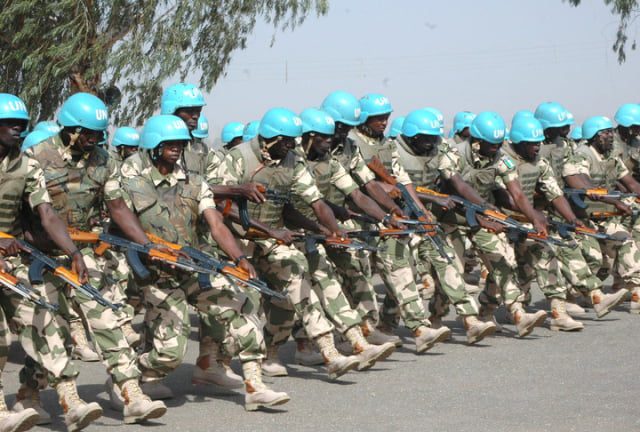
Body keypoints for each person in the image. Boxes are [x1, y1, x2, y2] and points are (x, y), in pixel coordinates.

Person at [120, 114, 289, 410]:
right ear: (153, 145)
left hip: (193, 267)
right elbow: (122, 223)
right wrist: (148, 249)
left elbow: (216, 225)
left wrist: (238, 257)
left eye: (181, 144)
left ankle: (254, 384)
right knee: (170, 353)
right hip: (155, 273)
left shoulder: (196, 183)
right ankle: (130, 377)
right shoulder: (132, 183)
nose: (177, 148)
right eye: (170, 143)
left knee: (241, 303)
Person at [26, 92, 167, 424]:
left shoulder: (104, 161)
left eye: (98, 135)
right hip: (43, 252)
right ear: (71, 128)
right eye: (88, 134)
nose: (94, 140)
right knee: (51, 327)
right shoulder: (36, 157)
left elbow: (117, 207)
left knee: (106, 316)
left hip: (84, 251)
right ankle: (29, 395)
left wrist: (145, 245)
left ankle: (132, 393)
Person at [214, 107, 362, 378]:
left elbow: (316, 202)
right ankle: (220, 364)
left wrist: (333, 230)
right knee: (241, 303)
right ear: (269, 138)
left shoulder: (293, 161)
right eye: (286, 141)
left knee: (295, 271)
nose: (291, 146)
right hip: (236, 241)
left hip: (271, 237)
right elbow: (221, 203)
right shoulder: (239, 158)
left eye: (294, 141)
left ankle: (328, 351)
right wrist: (269, 229)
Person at [0, 93, 102, 431]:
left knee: (44, 317)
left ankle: (70, 399)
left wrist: (74, 252)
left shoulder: (27, 165)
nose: (18, 129)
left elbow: (47, 215)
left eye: (22, 125)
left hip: (9, 259)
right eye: (10, 123)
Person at [349, 93, 451, 351]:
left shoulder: (386, 144)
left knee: (401, 268)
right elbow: (364, 185)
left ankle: (416, 327)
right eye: (378, 118)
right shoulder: (351, 143)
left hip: (382, 217)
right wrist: (391, 204)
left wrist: (419, 212)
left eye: (386, 117)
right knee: (355, 280)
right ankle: (342, 335)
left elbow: (402, 180)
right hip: (353, 217)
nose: (384, 122)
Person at [438, 111, 548, 337]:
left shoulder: (500, 158)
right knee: (452, 271)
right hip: (452, 220)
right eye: (491, 144)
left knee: (502, 258)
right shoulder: (453, 153)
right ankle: (434, 318)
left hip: (480, 220)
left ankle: (516, 313)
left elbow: (517, 194)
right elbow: (460, 187)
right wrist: (486, 211)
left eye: (499, 143)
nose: (497, 148)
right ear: (476, 141)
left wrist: (534, 217)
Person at [393, 108, 496, 343]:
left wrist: (481, 206)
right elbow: (399, 186)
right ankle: (387, 326)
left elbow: (453, 178)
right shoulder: (394, 152)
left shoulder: (440, 149)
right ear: (412, 135)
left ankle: (469, 320)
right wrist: (430, 200)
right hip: (400, 221)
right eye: (427, 139)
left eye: (435, 138)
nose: (432, 143)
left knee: (448, 262)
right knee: (401, 278)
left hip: (427, 221)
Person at [563, 115, 640, 314]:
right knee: (594, 258)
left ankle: (637, 293)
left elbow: (630, 183)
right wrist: (615, 201)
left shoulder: (611, 156)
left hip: (605, 215)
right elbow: (582, 184)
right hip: (582, 217)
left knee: (625, 242)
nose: (610, 136)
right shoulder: (581, 155)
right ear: (594, 136)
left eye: (609, 132)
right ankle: (569, 297)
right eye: (605, 133)